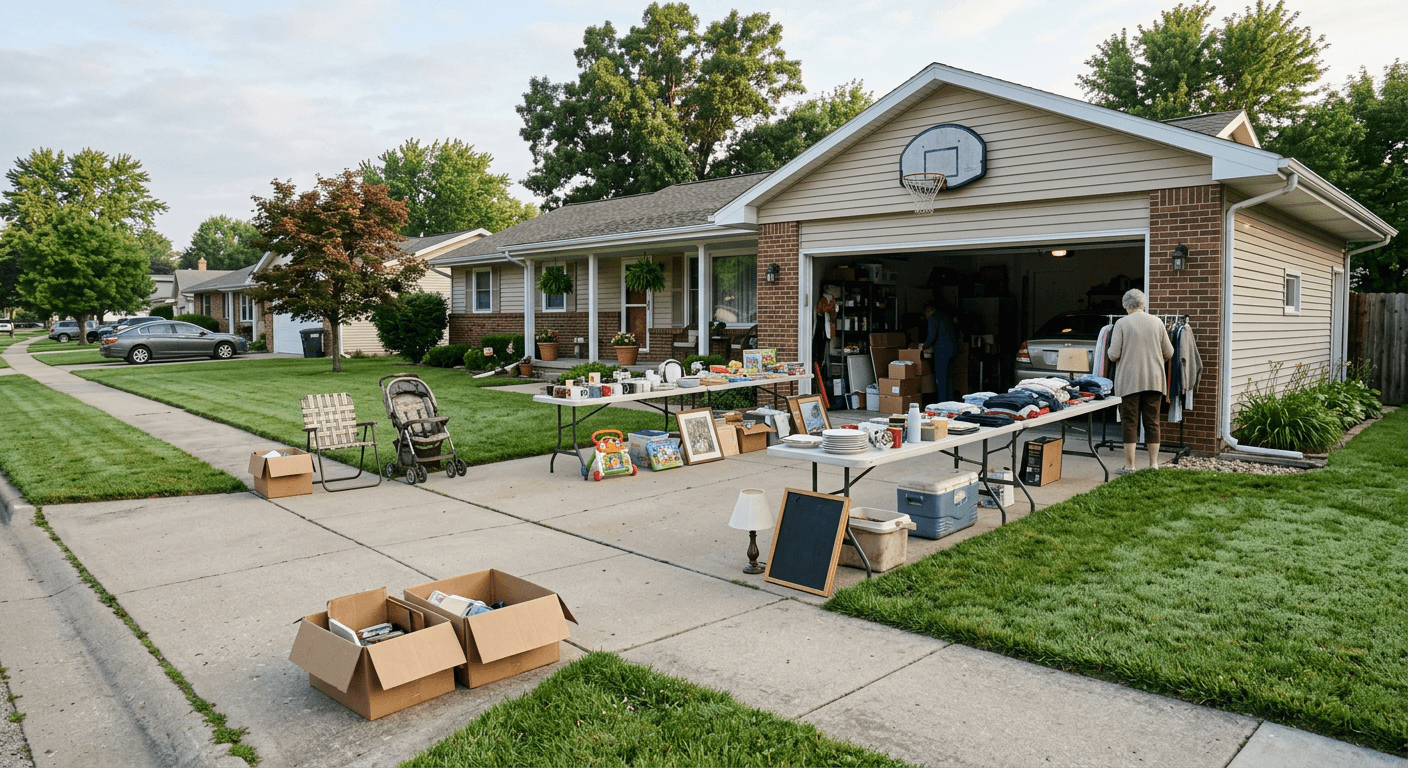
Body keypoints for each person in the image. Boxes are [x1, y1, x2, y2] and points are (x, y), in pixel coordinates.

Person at [1105, 288, 1174, 473]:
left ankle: (1130, 466)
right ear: (1143, 304)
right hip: (1154, 380)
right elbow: (1170, 352)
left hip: (1129, 381)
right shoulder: (1157, 322)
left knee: (1130, 422)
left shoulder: (1121, 323)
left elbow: (1113, 354)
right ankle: (1153, 464)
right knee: (1153, 422)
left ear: (1126, 306)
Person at [921, 301, 957, 401]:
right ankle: (950, 401)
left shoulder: (933, 318)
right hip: (953, 349)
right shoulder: (946, 316)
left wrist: (923, 346)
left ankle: (942, 403)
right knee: (949, 378)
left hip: (942, 351)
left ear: (928, 311)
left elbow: (932, 336)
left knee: (941, 379)